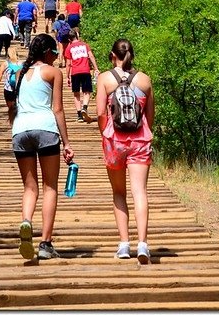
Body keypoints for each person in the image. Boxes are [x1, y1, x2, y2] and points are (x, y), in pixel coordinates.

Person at [9, 33, 74, 260]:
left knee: (29, 188)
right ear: (47, 52)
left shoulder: (19, 73)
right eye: (55, 53)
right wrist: (66, 142)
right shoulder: (53, 72)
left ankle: (26, 222)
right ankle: (45, 244)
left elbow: (11, 103)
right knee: (50, 187)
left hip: (20, 130)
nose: (56, 57)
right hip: (45, 129)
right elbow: (57, 109)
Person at [94, 38, 154, 263]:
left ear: (112, 55)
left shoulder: (105, 78)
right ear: (132, 55)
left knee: (119, 192)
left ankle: (123, 245)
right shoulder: (145, 79)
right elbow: (149, 115)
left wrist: (105, 134)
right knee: (140, 191)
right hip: (140, 139)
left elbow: (101, 112)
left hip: (114, 141)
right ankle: (143, 245)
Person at [64, 31, 100, 122]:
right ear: (77, 36)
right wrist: (96, 68)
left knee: (76, 94)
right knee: (86, 91)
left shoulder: (69, 48)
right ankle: (85, 107)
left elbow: (68, 64)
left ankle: (79, 115)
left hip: (75, 72)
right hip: (85, 71)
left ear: (69, 39)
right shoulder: (85, 45)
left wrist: (67, 76)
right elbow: (91, 56)